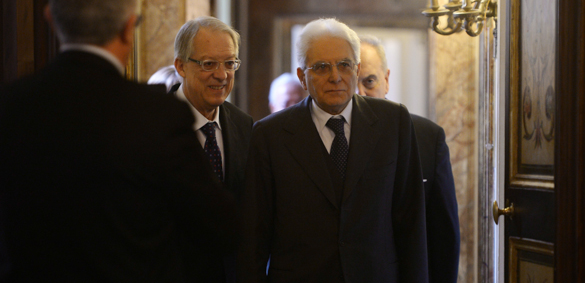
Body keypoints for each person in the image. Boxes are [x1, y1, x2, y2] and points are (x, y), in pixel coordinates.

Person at [0, 0, 237, 282]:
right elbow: (219, 226)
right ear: (128, 28)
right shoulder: (156, 114)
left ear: (50, 19)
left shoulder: (11, 106)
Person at [239, 18, 428, 283]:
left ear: (357, 68)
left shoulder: (393, 122)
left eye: (344, 65)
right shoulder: (269, 135)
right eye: (321, 67)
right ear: (302, 77)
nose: (335, 76)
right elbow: (254, 235)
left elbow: (411, 221)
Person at [358, 34, 460, 283]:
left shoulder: (427, 137)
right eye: (352, 82)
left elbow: (444, 235)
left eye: (369, 82)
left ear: (386, 80)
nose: (359, 93)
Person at [172, 16, 253, 283]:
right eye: (209, 64)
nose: (222, 74)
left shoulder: (245, 127)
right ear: (181, 66)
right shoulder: (150, 126)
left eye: (230, 63)